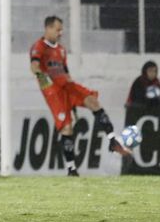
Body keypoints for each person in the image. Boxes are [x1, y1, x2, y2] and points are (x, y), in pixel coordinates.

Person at [30, 16, 132, 177]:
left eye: (61, 29)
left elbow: (65, 72)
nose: (60, 33)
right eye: (58, 29)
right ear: (48, 28)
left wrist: (72, 92)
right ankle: (71, 169)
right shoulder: (39, 47)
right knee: (67, 128)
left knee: (93, 101)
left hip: (68, 86)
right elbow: (34, 67)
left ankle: (112, 139)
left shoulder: (61, 50)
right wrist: (46, 84)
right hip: (54, 91)